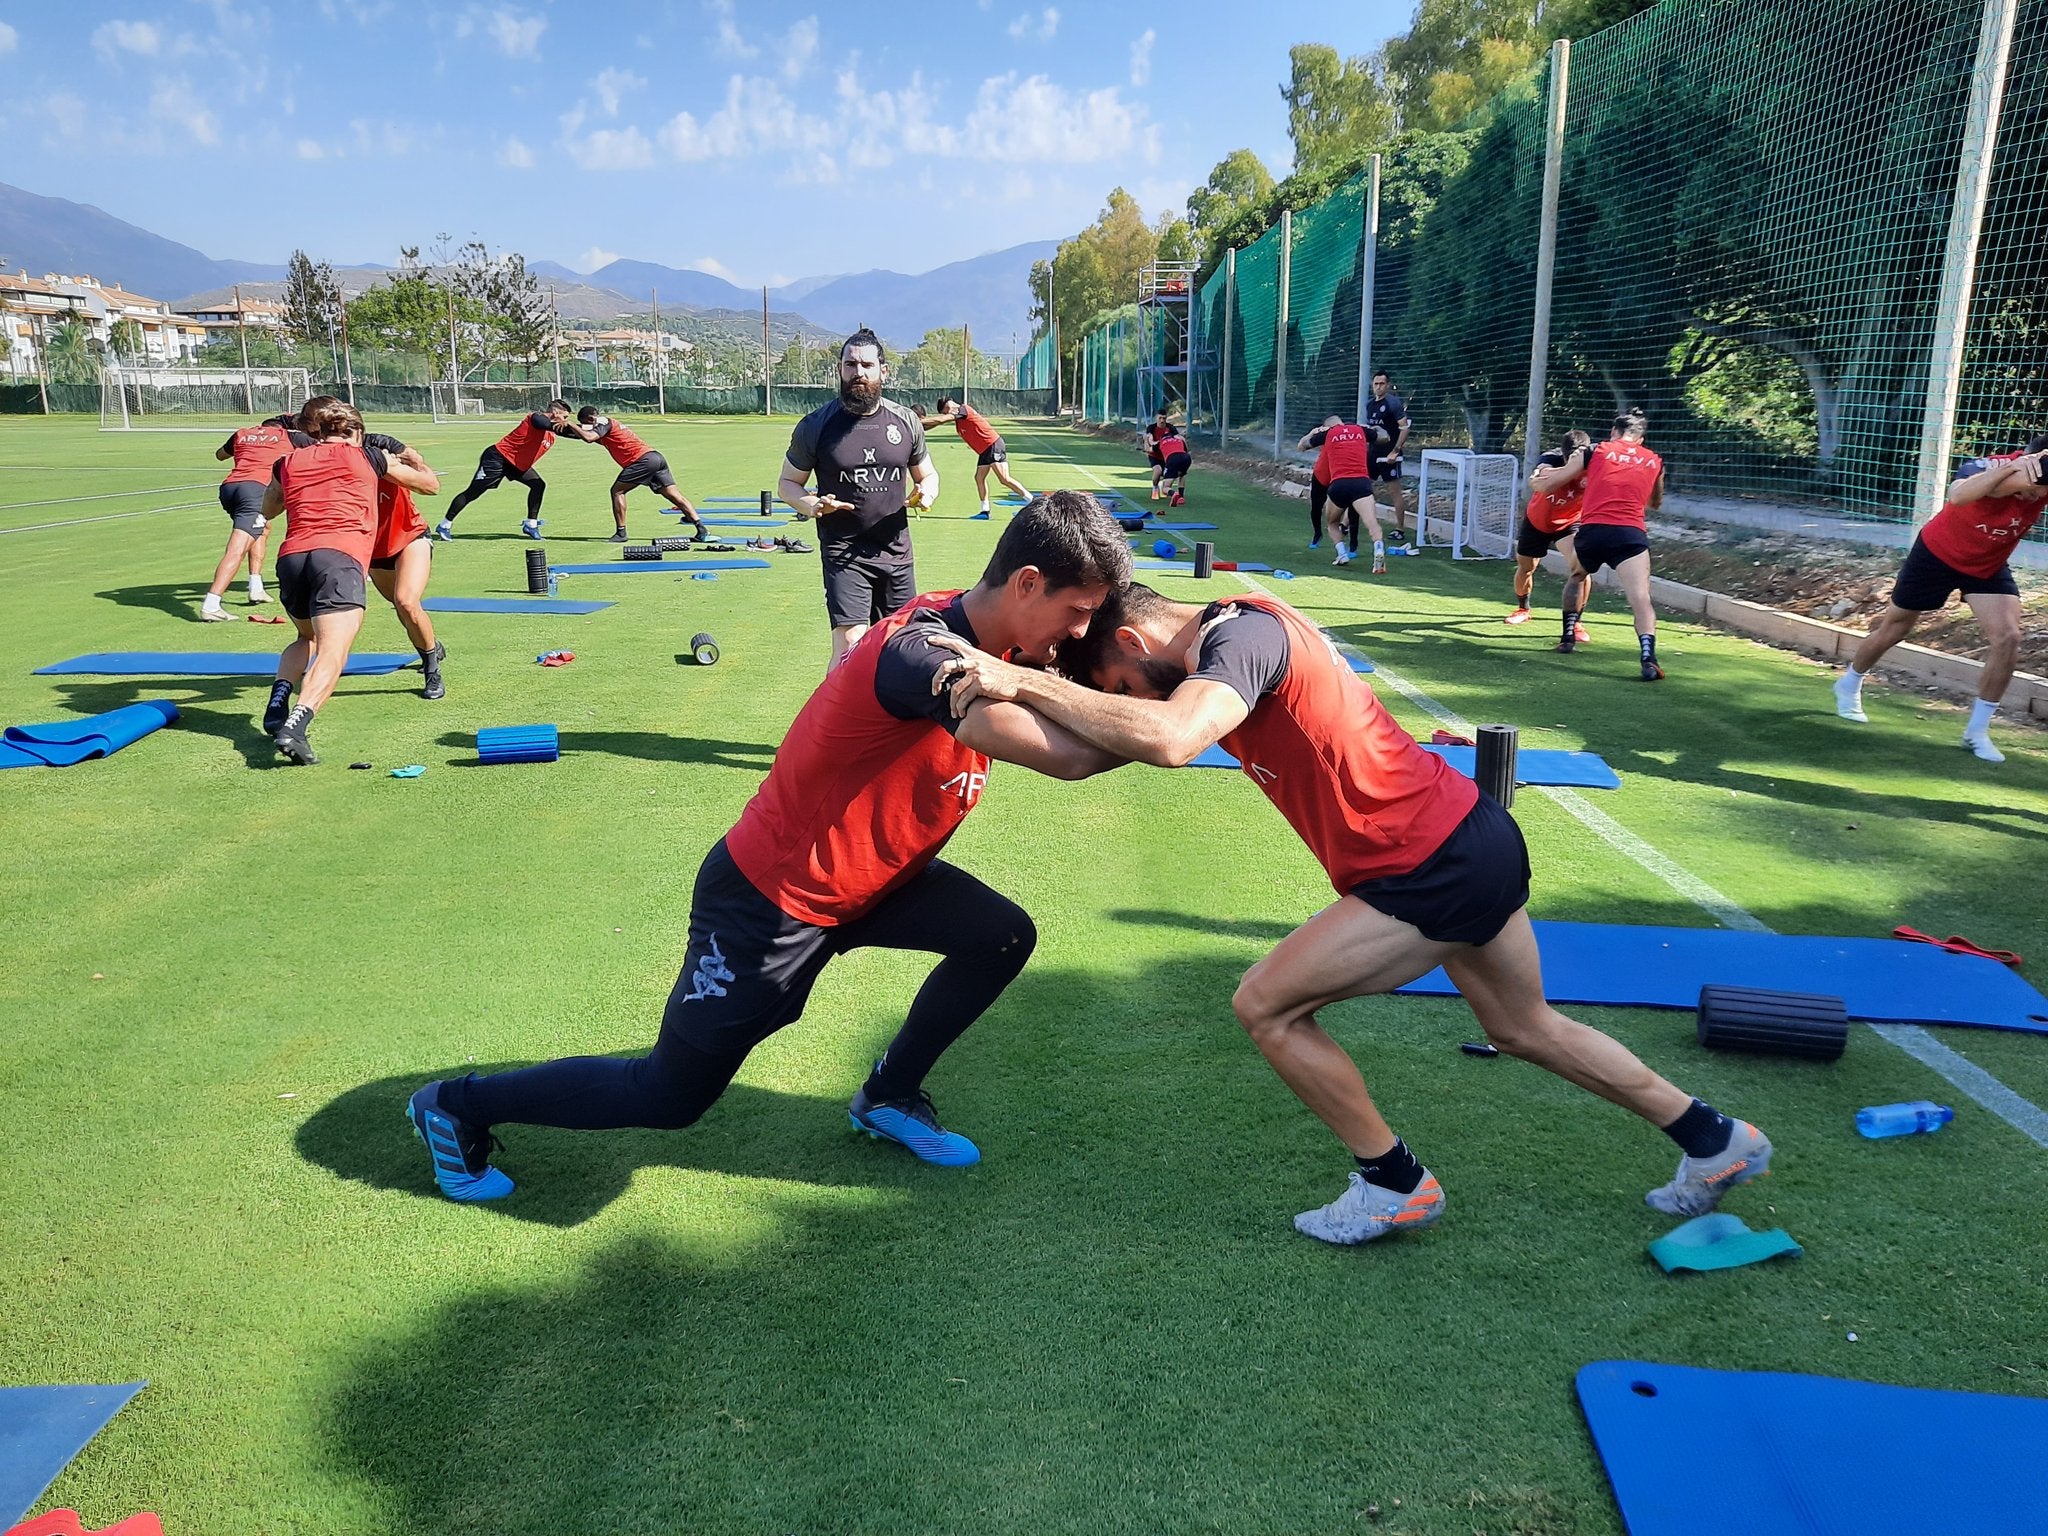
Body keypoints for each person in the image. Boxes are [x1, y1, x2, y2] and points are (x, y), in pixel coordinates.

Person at [923, 581, 1774, 1246]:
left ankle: (1394, 1184)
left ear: (1139, 643)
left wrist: (1014, 676)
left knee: (1266, 1005)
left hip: (1427, 866)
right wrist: (1007, 699)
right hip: (1469, 836)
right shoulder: (1225, 640)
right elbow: (1111, 743)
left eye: (1117, 682)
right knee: (1524, 1027)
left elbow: (1173, 737)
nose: (1124, 699)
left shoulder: (1240, 641)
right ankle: (1714, 1137)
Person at [404, 491, 1134, 1202]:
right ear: (1028, 583)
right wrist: (1176, 728)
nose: (1078, 633)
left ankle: (888, 1095)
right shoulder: (925, 654)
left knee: (999, 936)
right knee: (669, 1094)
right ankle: (456, 1105)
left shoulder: (993, 640)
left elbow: (1077, 678)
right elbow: (1065, 755)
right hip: (772, 897)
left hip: (875, 882)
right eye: (1077, 612)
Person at [1834, 437, 2048, 762]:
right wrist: (2013, 468)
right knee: (1895, 628)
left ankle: (1976, 732)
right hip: (1937, 554)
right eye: (2027, 487)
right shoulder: (1991, 466)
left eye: (2037, 492)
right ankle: (1850, 682)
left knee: (2008, 637)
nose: (2030, 496)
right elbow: (1958, 495)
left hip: (1985, 567)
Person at [259, 397, 441, 765]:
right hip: (339, 558)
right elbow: (430, 485)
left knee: (305, 638)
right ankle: (296, 723)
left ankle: (280, 697)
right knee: (332, 651)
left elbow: (268, 509)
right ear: (354, 431)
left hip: (292, 558)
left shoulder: (287, 462)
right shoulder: (369, 457)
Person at [778, 329, 942, 667]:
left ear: (883, 371)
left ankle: (888, 719)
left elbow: (928, 474)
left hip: (896, 551)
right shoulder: (816, 426)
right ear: (840, 370)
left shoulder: (906, 421)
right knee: (850, 643)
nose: (858, 372)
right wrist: (813, 505)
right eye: (850, 364)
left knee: (901, 643)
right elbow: (787, 484)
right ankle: (832, 722)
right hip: (845, 552)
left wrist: (927, 491)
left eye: (867, 364)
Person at [1553, 407, 1666, 680]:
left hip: (1593, 530)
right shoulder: (1654, 460)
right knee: (1640, 598)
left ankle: (1568, 635)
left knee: (1577, 575)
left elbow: (1565, 476)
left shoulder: (1597, 451)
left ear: (1614, 432)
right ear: (1640, 438)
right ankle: (1648, 657)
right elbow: (1656, 503)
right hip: (1629, 533)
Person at [365, 431, 447, 701]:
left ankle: (432, 670)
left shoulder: (388, 466)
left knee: (406, 601)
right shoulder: (342, 470)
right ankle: (431, 644)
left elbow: (432, 486)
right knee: (400, 606)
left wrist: (412, 460)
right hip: (375, 550)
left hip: (410, 537)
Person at [201, 413, 306, 621]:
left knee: (261, 527)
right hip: (256, 489)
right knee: (237, 548)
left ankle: (255, 586)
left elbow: (220, 455)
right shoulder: (291, 436)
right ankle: (212, 604)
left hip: (231, 488)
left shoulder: (242, 433)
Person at [434, 399, 583, 541]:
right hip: (497, 458)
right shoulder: (536, 418)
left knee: (538, 485)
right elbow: (543, 422)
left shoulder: (552, 430)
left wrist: (596, 430)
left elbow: (577, 433)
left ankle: (531, 524)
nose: (565, 420)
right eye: (565, 416)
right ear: (556, 412)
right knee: (473, 492)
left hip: (516, 464)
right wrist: (568, 425)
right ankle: (444, 525)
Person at [574, 406, 709, 544]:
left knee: (617, 491)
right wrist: (554, 426)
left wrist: (569, 423)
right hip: (655, 457)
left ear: (591, 419)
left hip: (642, 461)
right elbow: (578, 433)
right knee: (675, 496)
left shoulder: (603, 422)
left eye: (586, 423)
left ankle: (621, 533)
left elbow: (588, 437)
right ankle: (701, 529)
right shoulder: (606, 427)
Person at [1507, 428, 1594, 640]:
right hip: (1537, 520)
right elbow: (1540, 476)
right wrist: (1542, 477)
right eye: (1569, 458)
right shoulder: (1550, 459)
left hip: (1568, 523)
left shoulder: (1595, 461)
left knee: (1581, 567)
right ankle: (1523, 609)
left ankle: (1576, 623)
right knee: (1526, 566)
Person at [1299, 415, 1385, 570]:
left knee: (1332, 523)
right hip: (1362, 484)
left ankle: (1341, 553)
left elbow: (1302, 445)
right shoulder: (1360, 430)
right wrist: (1376, 428)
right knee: (1372, 524)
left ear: (1328, 426)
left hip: (1339, 484)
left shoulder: (1327, 434)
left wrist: (1312, 433)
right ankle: (1378, 549)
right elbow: (1384, 438)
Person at [925, 396, 1030, 518]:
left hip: (992, 445)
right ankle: (985, 511)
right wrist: (920, 424)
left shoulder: (962, 410)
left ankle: (1032, 502)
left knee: (1004, 479)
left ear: (948, 407)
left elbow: (941, 420)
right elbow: (937, 422)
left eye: (945, 412)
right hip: (985, 450)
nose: (947, 414)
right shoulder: (959, 418)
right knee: (979, 478)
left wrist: (920, 421)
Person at [1362, 371, 1412, 543]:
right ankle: (1347, 524)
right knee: (1362, 488)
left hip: (1389, 455)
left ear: (1388, 385)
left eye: (1382, 384)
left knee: (1394, 491)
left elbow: (1404, 428)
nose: (1378, 387)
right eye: (1376, 384)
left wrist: (1396, 450)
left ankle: (1400, 529)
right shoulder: (1369, 404)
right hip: (1373, 453)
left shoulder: (1393, 403)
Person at [1296, 418, 1335, 552]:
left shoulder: (1348, 435)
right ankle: (1317, 533)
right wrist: (1312, 433)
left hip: (1340, 473)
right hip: (1322, 473)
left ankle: (1348, 537)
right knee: (1316, 506)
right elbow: (1301, 446)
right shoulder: (1324, 435)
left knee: (1348, 504)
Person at [1155, 426, 1193, 507]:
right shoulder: (1179, 438)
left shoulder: (1160, 441)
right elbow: (1186, 449)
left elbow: (1151, 450)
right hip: (1186, 457)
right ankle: (1181, 497)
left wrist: (1146, 440)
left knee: (1165, 488)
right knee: (1182, 474)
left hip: (1172, 458)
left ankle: (1174, 494)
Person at [1142, 410, 1174, 501]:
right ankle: (1155, 487)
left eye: (1164, 418)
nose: (1162, 420)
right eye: (1160, 418)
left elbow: (1177, 438)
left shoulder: (1170, 428)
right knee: (1158, 471)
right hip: (1154, 454)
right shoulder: (1151, 428)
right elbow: (1150, 440)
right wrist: (1157, 443)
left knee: (1169, 474)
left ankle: (1165, 488)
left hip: (1167, 456)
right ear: (1156, 418)